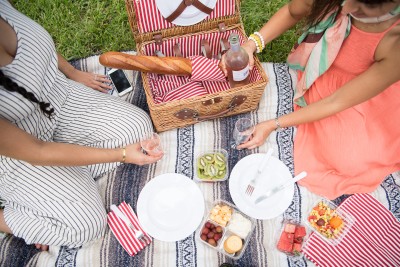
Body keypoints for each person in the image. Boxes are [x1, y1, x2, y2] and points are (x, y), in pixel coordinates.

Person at [0, 0, 163, 251]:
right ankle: (19, 214)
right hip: (18, 154)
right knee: (86, 225)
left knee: (139, 128)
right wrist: (120, 154)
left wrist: (71, 73)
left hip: (56, 97)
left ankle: (68, 179)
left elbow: (35, 45)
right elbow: (39, 151)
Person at [235, 0, 400, 199]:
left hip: (361, 93)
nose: (345, 8)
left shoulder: (395, 40)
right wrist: (250, 45)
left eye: (367, 6)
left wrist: (274, 124)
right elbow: (291, 11)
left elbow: (337, 102)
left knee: (349, 160)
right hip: (322, 73)